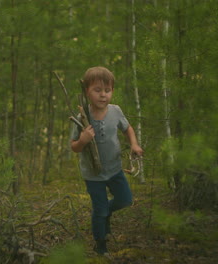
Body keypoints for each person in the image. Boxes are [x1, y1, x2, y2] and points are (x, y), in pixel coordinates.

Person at [70, 66, 143, 256]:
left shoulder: (115, 111)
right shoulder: (81, 118)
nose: (103, 95)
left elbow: (127, 129)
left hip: (114, 169)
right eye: (97, 90)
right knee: (100, 210)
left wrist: (134, 145)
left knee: (125, 200)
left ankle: (104, 213)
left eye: (107, 90)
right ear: (87, 92)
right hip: (93, 174)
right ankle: (100, 244)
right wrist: (83, 140)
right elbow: (74, 146)